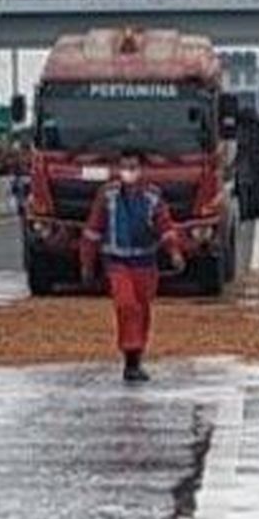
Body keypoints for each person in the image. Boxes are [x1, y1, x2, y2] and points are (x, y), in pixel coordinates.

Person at [79, 149, 184, 383]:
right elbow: (93, 230)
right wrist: (87, 263)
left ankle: (136, 356)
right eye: (124, 166)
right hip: (117, 263)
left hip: (145, 263)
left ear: (142, 169)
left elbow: (165, 227)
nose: (128, 172)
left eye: (133, 167)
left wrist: (174, 253)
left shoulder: (152, 197)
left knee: (142, 309)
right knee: (127, 305)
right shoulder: (107, 196)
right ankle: (130, 359)